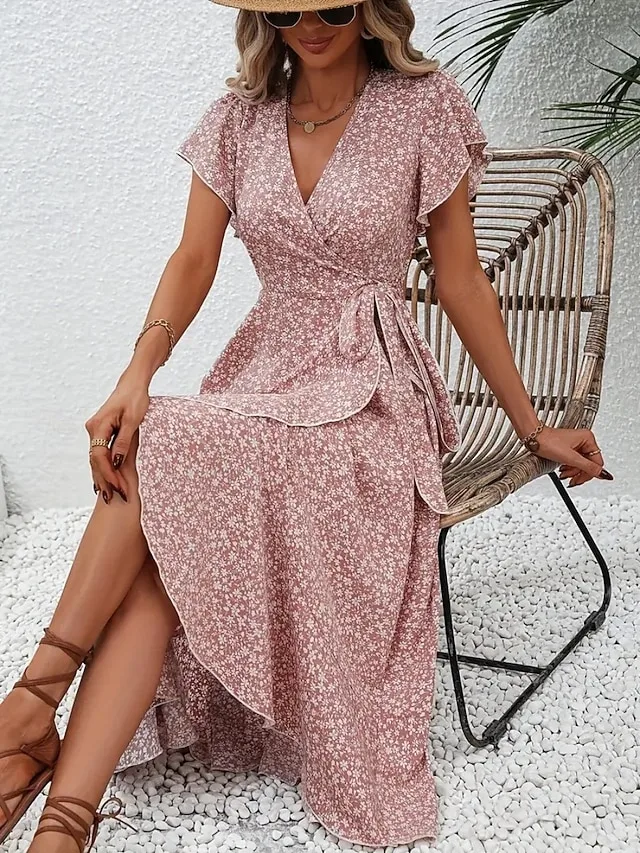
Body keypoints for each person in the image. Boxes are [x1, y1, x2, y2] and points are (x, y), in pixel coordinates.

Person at [0, 0, 613, 849]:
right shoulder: (238, 119)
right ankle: (65, 820)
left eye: (331, 5)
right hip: (264, 380)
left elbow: (462, 281)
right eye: (286, 10)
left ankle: (30, 707)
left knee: (160, 451)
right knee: (164, 512)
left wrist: (531, 426)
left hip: (370, 398)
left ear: (372, 8)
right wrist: (135, 375)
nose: (311, 25)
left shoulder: (424, 107)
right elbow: (193, 258)